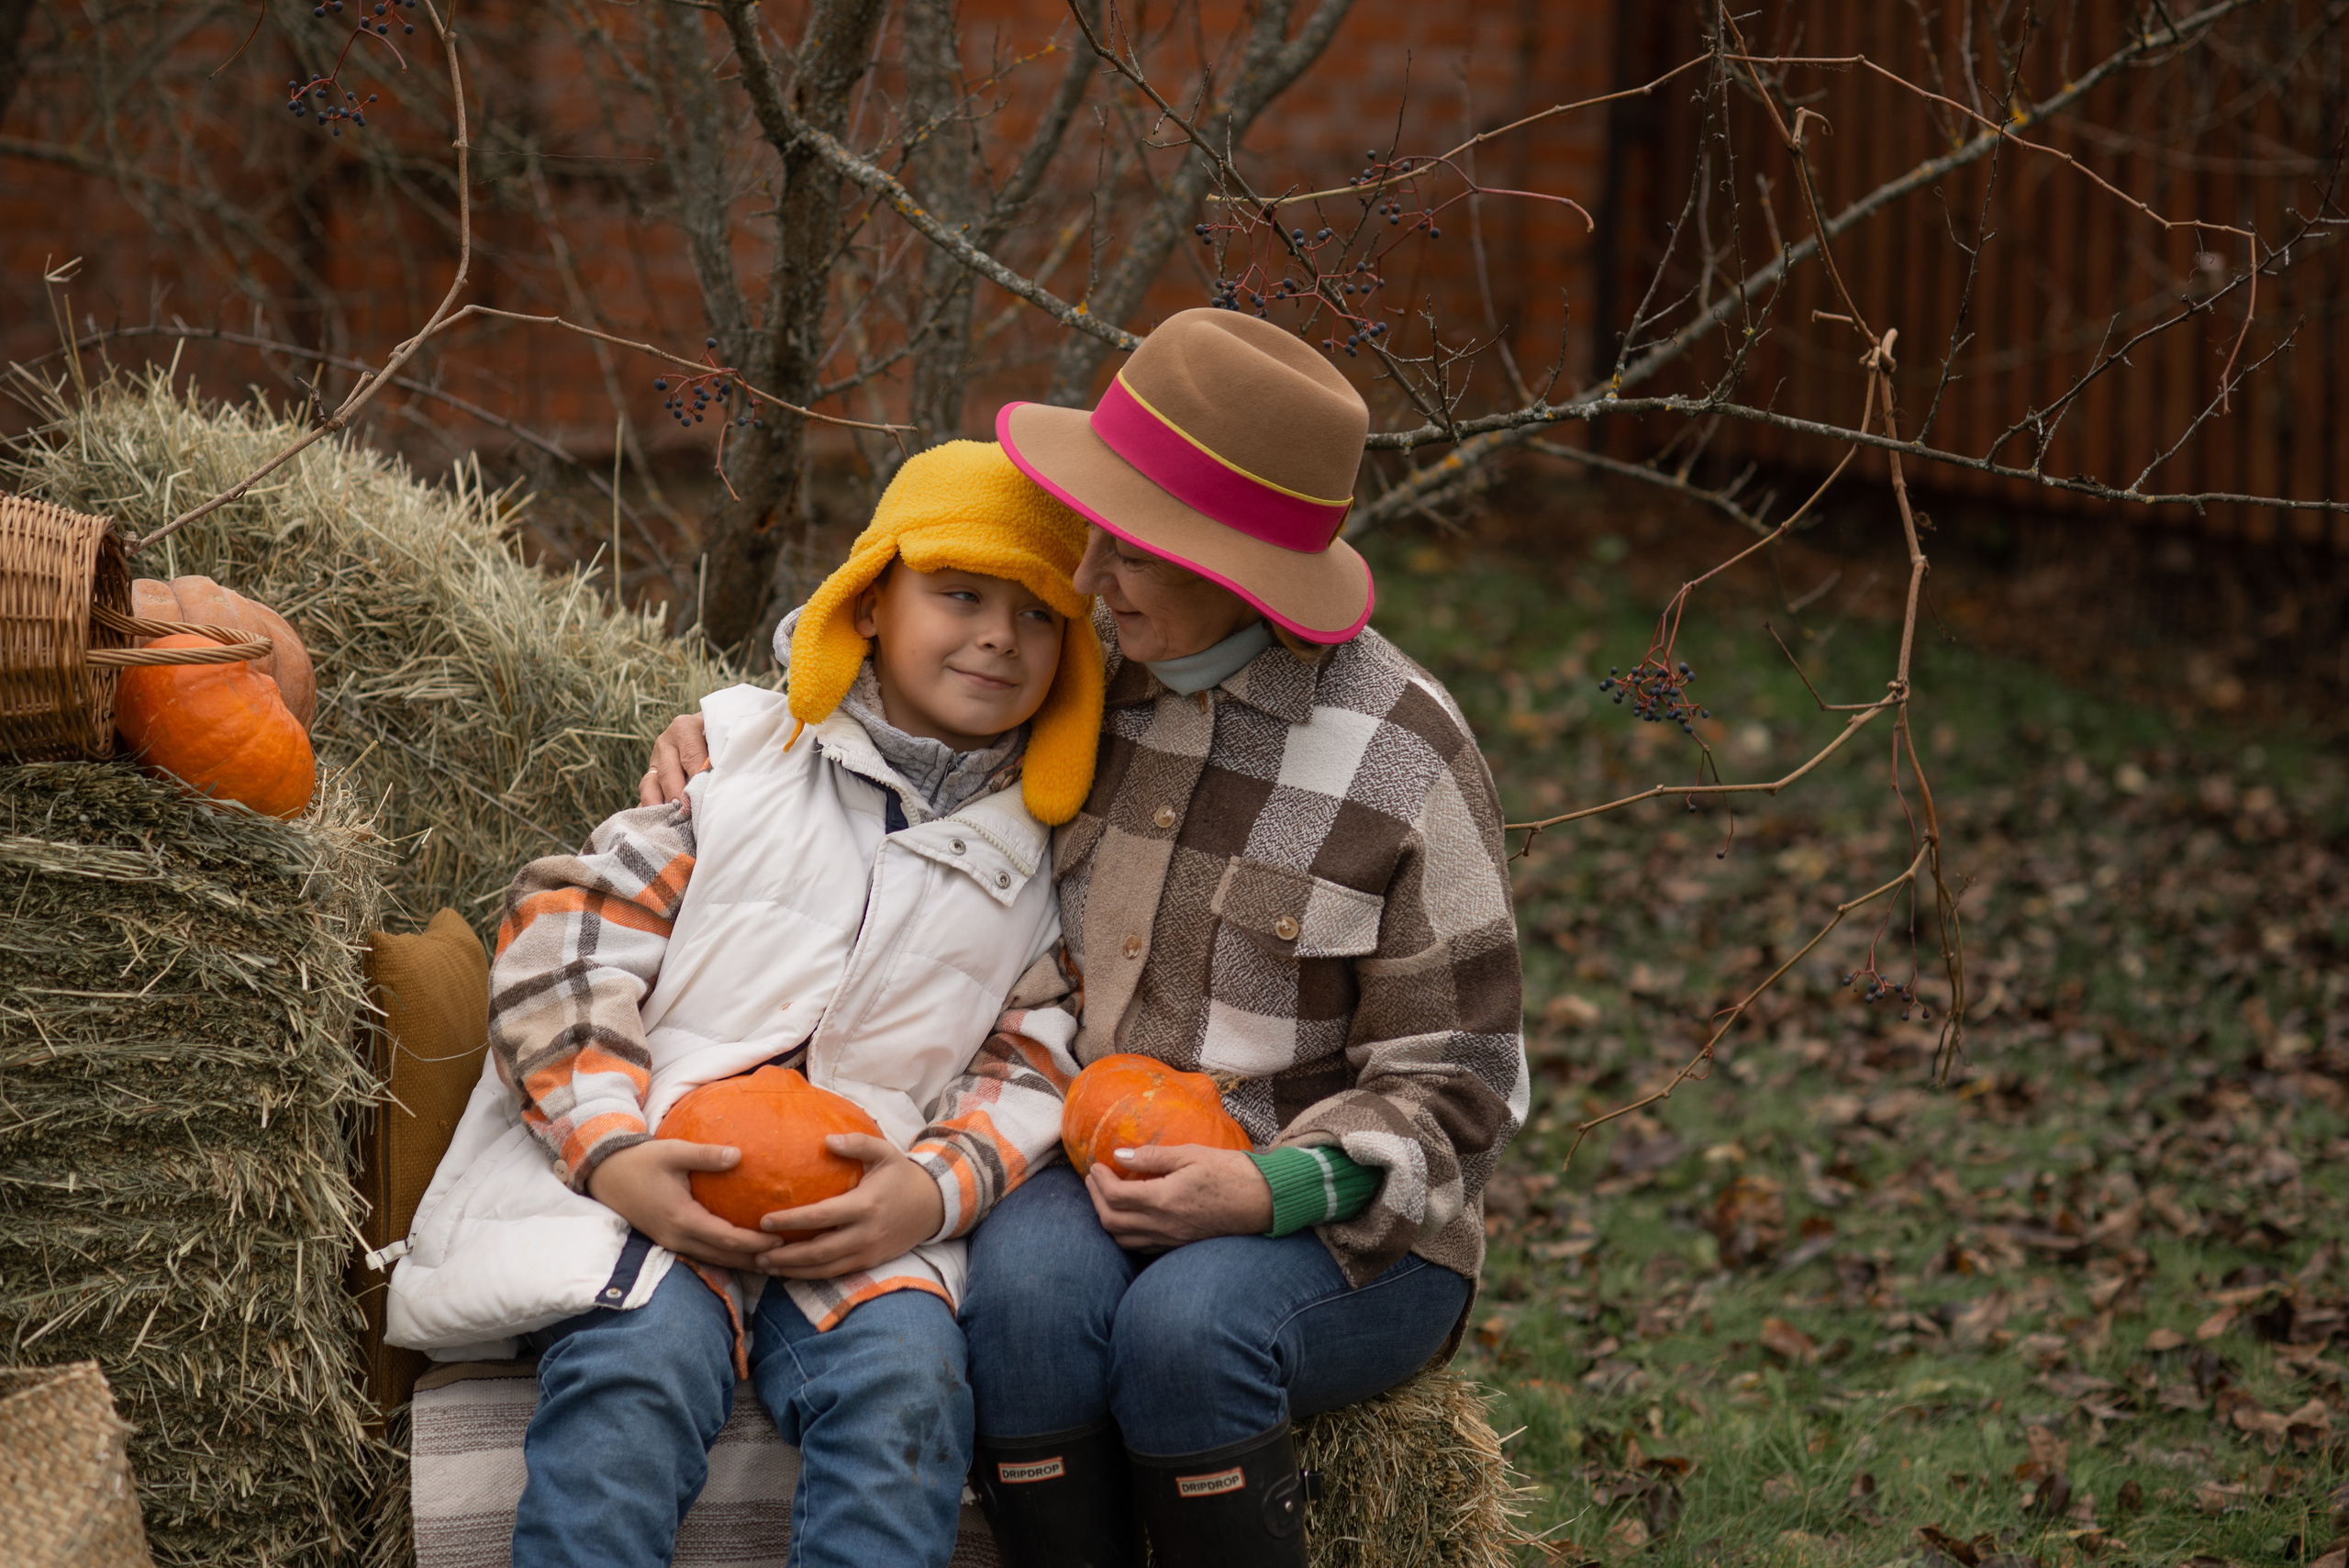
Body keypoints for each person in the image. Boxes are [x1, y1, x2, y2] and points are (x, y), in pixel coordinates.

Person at [643, 309, 1528, 1568]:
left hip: (1340, 1212)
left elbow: (1461, 1082)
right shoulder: (1084, 677)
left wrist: (1265, 1187)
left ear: (1233, 571)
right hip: (1088, 1155)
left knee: (1185, 1329)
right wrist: (727, 732)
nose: (1088, 572)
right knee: (1030, 1299)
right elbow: (891, 661)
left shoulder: (1400, 760)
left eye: (1129, 545)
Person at [386, 440, 1105, 1568]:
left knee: (907, 1388)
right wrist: (611, 1149)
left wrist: (928, 1191)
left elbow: (1031, 1060)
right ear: (871, 602)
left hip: (862, 1202)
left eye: (1040, 615)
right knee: (634, 1370)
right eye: (959, 595)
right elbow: (564, 953)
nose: (999, 637)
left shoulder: (1040, 858)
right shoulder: (737, 771)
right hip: (656, 1169)